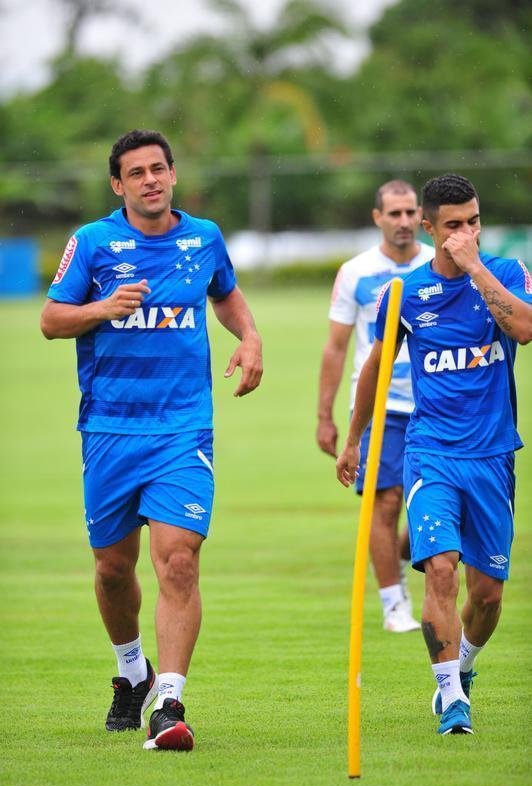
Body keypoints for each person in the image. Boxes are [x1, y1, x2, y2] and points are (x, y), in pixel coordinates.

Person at [40, 129, 263, 751]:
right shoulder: (92, 242)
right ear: (119, 185)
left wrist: (249, 336)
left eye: (158, 169)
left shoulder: (205, 237)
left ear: (173, 174)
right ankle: (130, 669)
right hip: (110, 430)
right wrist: (101, 309)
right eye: (136, 173)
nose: (150, 180)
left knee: (180, 561)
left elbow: (225, 293)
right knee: (114, 570)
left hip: (183, 428)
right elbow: (52, 320)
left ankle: (167, 703)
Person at [336, 173, 532, 735]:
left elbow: (524, 328)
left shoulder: (506, 274)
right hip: (431, 451)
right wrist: (354, 437)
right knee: (440, 571)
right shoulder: (406, 294)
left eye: (473, 222)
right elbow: (374, 368)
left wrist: (473, 266)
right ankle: (451, 699)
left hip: (493, 455)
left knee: (488, 595)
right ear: (428, 227)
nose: (465, 234)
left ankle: (463, 666)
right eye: (453, 226)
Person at [317, 180, 433, 632]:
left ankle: (402, 556)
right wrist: (325, 416)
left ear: (421, 216)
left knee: (428, 506)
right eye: (394, 214)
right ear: (377, 217)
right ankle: (393, 603)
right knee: (384, 505)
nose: (403, 222)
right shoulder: (355, 273)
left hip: (434, 403)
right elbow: (335, 347)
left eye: (410, 213)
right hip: (380, 407)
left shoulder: (437, 266)